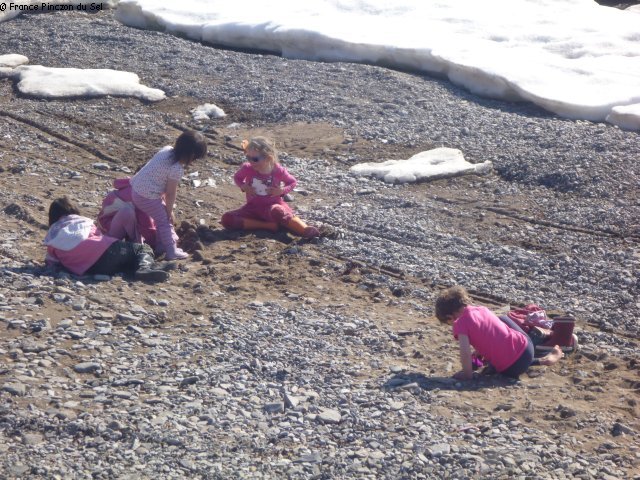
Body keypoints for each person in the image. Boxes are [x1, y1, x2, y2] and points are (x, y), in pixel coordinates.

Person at [435, 286, 564, 380]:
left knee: (499, 348)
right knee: (503, 319)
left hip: (509, 370)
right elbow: (492, 336)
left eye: (449, 323)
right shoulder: (482, 309)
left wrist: (466, 373)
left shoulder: (459, 323)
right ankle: (544, 350)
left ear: (450, 317)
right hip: (526, 351)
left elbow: (465, 352)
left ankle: (543, 358)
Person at [44, 197, 169, 282]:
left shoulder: (52, 235)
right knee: (141, 248)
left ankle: (139, 268)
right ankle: (144, 267)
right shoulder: (82, 221)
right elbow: (98, 237)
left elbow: (51, 261)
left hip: (88, 269)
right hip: (105, 253)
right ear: (73, 211)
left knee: (122, 262)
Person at [220, 136, 320, 238]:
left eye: (255, 159)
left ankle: (303, 230)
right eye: (248, 157)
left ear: (268, 158)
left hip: (272, 208)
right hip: (253, 208)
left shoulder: (278, 171)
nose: (250, 161)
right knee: (227, 219)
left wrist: (281, 191)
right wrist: (243, 186)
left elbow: (292, 182)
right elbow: (237, 178)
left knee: (279, 211)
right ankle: (268, 226)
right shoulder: (248, 168)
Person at [130, 130, 208, 260]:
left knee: (160, 217)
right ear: (190, 155)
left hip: (135, 189)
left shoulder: (166, 149)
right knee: (164, 221)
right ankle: (171, 251)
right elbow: (170, 193)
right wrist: (168, 210)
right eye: (194, 158)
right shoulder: (176, 169)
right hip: (146, 196)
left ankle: (160, 246)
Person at [97, 177, 158, 250]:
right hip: (108, 233)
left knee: (131, 214)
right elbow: (146, 225)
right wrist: (155, 243)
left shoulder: (132, 185)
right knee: (127, 212)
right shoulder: (139, 194)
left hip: (113, 224)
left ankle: (133, 241)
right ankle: (136, 245)